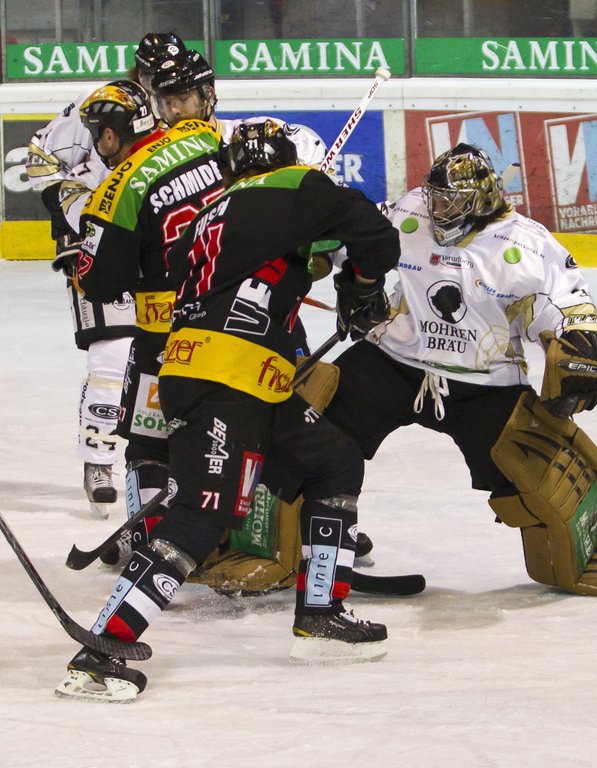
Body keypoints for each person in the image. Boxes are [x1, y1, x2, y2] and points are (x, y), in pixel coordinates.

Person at [55, 119, 400, 701]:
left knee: (334, 462)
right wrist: (361, 287)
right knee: (200, 515)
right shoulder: (294, 185)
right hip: (228, 380)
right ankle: (100, 653)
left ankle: (321, 615)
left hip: (224, 374)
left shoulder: (208, 212)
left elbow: (249, 261)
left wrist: (309, 262)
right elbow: (378, 236)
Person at [323, 142, 597, 598]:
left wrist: (580, 346)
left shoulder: (526, 244)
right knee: (312, 433)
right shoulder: (409, 211)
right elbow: (351, 241)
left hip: (483, 383)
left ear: (478, 201)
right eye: (435, 198)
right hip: (392, 362)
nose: (438, 210)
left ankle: (585, 551)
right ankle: (294, 540)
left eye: (450, 202)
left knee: (539, 475)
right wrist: (338, 265)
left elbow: (567, 303)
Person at [23, 32, 186, 518]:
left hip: (156, 253)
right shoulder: (104, 104)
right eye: (152, 73)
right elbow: (41, 156)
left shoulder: (184, 115)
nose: (161, 83)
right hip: (101, 243)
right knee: (112, 354)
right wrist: (73, 213)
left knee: (168, 356)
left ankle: (166, 457)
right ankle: (98, 457)